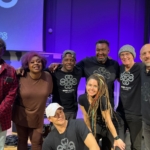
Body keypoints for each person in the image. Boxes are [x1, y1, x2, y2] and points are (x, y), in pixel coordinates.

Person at [12, 52, 53, 150]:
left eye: (38, 61)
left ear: (42, 63)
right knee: (22, 141)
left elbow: (50, 92)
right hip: (21, 115)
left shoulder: (48, 76)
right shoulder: (21, 76)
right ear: (27, 65)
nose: (36, 64)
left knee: (37, 142)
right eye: (32, 62)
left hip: (38, 117)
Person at [78, 73, 125, 150]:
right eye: (89, 85)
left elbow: (108, 121)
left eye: (95, 86)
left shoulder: (102, 100)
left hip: (113, 124)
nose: (91, 88)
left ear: (99, 88)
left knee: (117, 148)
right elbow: (86, 118)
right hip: (98, 124)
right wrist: (90, 132)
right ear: (86, 85)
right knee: (89, 146)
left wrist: (117, 138)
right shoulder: (82, 99)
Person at [116, 45, 142, 150]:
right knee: (118, 144)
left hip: (136, 114)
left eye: (127, 54)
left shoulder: (140, 67)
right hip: (121, 112)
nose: (124, 57)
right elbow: (118, 79)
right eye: (122, 55)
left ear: (133, 55)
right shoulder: (121, 68)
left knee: (136, 145)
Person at [48, 50, 83, 119]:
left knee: (70, 129)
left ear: (75, 62)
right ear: (62, 61)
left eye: (71, 60)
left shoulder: (79, 71)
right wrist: (23, 68)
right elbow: (39, 71)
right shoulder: (54, 71)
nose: (69, 62)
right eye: (66, 60)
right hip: (57, 109)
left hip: (72, 110)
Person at [0, 38, 18, 150]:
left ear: (3, 50)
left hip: (1, 115)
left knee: (0, 145)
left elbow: (12, 93)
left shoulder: (11, 71)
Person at [140, 44, 150, 150]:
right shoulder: (141, 70)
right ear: (140, 57)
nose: (147, 55)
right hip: (146, 122)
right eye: (144, 53)